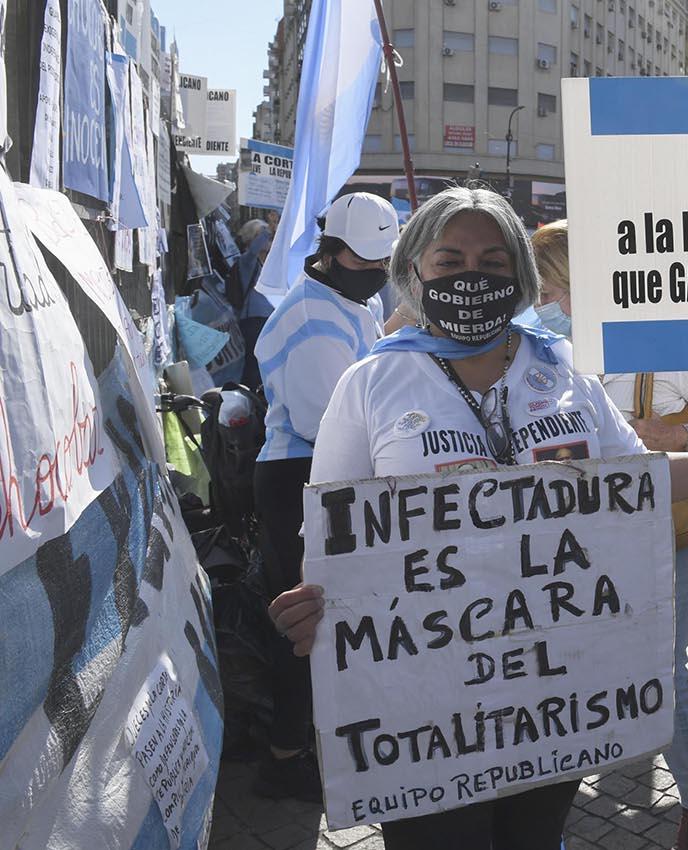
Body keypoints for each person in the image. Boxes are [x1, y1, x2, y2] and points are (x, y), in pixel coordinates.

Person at [266, 188, 688, 849]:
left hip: (549, 699)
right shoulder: (371, 383)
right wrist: (310, 607)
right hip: (428, 712)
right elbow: (332, 535)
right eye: (450, 259)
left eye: (493, 261)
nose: (473, 275)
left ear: (519, 277)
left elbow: (636, 482)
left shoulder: (562, 372)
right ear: (413, 272)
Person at [531, 219, 688, 847]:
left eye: (552, 288)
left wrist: (680, 436)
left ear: (583, 280)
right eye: (540, 291)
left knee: (664, 663)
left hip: (671, 522)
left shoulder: (660, 338)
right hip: (595, 531)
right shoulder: (548, 349)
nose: (544, 303)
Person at [250, 192, 398, 801]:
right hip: (300, 476)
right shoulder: (310, 317)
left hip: (334, 474)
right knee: (305, 617)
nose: (377, 273)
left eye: (383, 262)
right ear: (331, 252)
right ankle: (284, 756)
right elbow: (327, 421)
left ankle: (313, 739)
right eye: (366, 261)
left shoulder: (348, 300)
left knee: (335, 615)